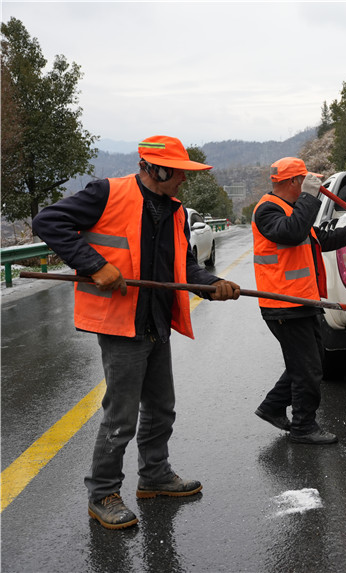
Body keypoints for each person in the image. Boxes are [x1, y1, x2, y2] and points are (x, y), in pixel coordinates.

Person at [32, 135, 241, 529]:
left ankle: (155, 475)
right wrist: (94, 265)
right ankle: (102, 494)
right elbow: (47, 221)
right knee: (121, 415)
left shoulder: (176, 212)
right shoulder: (107, 193)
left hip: (157, 320)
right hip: (120, 322)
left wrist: (212, 286)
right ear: (157, 168)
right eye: (178, 171)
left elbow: (185, 268)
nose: (183, 179)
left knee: (161, 407)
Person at [251, 157, 346, 444]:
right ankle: (303, 427)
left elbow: (316, 239)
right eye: (304, 182)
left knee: (309, 361)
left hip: (301, 301)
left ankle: (272, 407)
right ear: (293, 182)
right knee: (308, 368)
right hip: (282, 303)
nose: (310, 187)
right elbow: (293, 233)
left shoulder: (292, 210)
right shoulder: (268, 210)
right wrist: (309, 197)